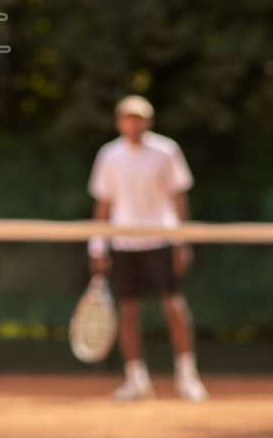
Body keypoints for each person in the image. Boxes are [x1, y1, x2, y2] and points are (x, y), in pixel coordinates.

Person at [87, 94, 208, 402]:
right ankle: (136, 379)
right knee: (128, 310)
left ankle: (187, 376)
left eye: (140, 117)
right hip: (125, 243)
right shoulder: (109, 155)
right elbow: (103, 203)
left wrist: (183, 241)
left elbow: (179, 197)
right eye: (128, 117)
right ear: (119, 122)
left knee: (173, 306)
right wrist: (97, 247)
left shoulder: (166, 151)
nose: (134, 123)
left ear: (149, 121)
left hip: (162, 240)